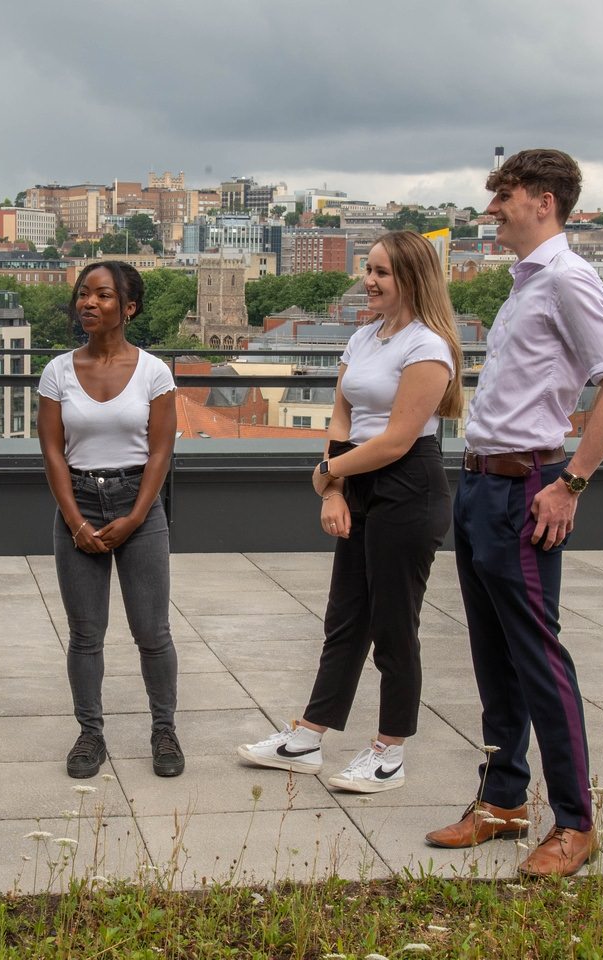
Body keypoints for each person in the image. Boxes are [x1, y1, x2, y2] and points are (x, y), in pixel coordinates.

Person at [424, 149, 603, 878]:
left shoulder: (568, 279)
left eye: (504, 197)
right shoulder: (526, 285)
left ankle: (574, 822)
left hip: (524, 488)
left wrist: (569, 485)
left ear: (543, 201)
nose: (492, 211)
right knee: (494, 656)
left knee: (539, 659)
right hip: (481, 486)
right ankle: (503, 802)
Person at [237, 231, 461, 794]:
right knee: (345, 618)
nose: (369, 280)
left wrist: (331, 475)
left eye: (382, 272)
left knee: (393, 626)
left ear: (411, 278)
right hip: (356, 481)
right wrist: (334, 489)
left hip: (408, 486)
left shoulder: (428, 347)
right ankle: (307, 737)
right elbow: (341, 420)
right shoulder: (363, 337)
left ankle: (389, 753)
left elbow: (398, 440)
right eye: (369, 269)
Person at [37, 261, 182, 779]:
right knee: (85, 634)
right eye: (83, 295)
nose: (88, 303)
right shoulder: (56, 371)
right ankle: (90, 734)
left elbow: (162, 452)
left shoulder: (153, 372)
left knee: (152, 632)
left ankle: (163, 730)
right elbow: (53, 454)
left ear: (129, 307)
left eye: (101, 295)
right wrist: (76, 522)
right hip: (77, 501)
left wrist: (137, 515)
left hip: (138, 500)